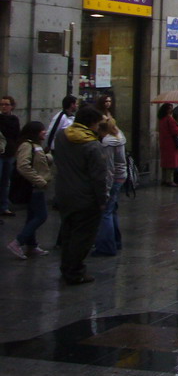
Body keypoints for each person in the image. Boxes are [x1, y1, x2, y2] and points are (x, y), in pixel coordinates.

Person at [52, 104, 109, 284]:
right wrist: (102, 200)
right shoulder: (92, 146)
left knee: (68, 232)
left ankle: (66, 267)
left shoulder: (62, 136)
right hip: (85, 197)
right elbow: (99, 178)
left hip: (64, 193)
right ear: (92, 124)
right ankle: (75, 271)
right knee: (83, 236)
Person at [7, 121, 52, 259]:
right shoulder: (27, 145)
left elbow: (38, 161)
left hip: (37, 186)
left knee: (32, 216)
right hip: (33, 186)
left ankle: (32, 245)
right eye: (42, 130)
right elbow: (23, 166)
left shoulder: (36, 146)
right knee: (41, 215)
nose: (44, 132)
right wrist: (39, 180)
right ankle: (18, 242)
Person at [93, 118, 127, 256]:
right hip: (121, 175)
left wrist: (105, 191)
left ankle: (106, 247)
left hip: (114, 178)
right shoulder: (119, 136)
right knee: (112, 211)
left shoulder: (107, 142)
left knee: (105, 212)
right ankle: (116, 241)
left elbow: (108, 168)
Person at [0, 95, 21, 217]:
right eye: (2, 104)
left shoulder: (14, 119)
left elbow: (16, 135)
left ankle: (4, 206)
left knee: (5, 181)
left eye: (6, 104)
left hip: (9, 153)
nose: (4, 107)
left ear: (12, 106)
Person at [157, 103, 178, 187]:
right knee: (171, 163)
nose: (171, 110)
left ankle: (164, 179)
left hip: (164, 142)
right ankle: (169, 180)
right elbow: (176, 131)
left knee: (165, 162)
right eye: (170, 108)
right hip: (171, 143)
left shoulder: (161, 119)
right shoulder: (169, 119)